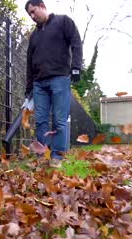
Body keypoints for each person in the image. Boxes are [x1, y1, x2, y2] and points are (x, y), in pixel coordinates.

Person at [24, 0, 83, 168]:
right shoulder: (34, 36)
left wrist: (76, 67)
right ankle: (44, 155)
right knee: (41, 121)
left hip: (60, 79)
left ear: (42, 6)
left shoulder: (63, 22)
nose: (32, 16)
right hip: (39, 84)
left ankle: (57, 156)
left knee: (59, 120)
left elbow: (76, 43)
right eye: (30, 15)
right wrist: (28, 89)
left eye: (34, 11)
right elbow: (29, 63)